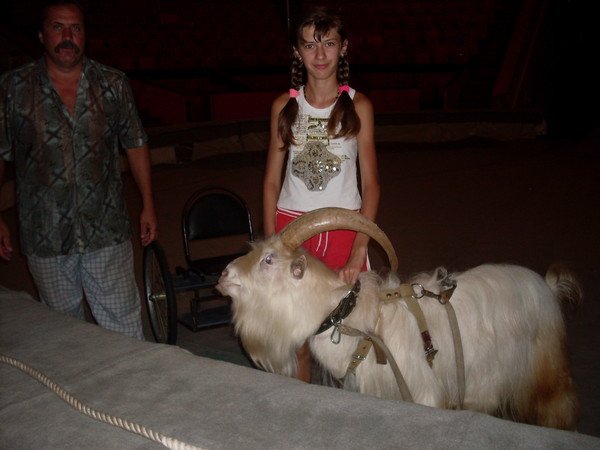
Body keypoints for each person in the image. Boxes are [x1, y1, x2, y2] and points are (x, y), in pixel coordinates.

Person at [0, 0, 157, 340]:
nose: (67, 37)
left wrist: (148, 204)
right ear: (41, 35)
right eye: (58, 27)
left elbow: (135, 143)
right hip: (45, 234)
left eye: (75, 28)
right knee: (65, 333)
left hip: (107, 228)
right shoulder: (13, 88)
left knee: (123, 325)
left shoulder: (113, 83)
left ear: (85, 35)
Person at [263, 7, 380, 381]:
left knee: (351, 337)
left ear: (343, 48)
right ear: (297, 52)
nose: (319, 55)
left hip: (344, 228)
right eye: (309, 45)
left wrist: (360, 247)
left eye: (328, 44)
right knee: (298, 340)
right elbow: (270, 182)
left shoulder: (359, 106)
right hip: (292, 229)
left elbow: (371, 185)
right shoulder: (284, 107)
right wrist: (272, 245)